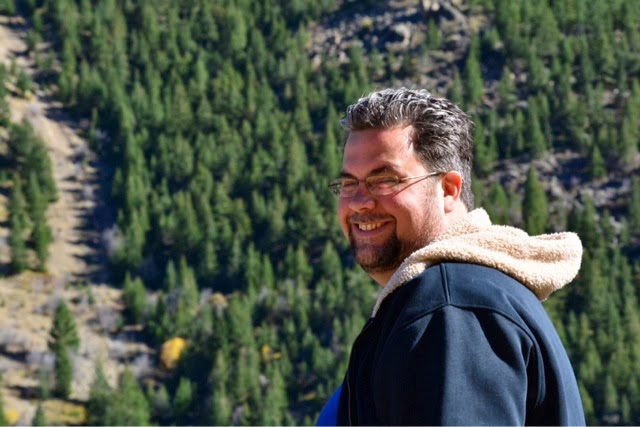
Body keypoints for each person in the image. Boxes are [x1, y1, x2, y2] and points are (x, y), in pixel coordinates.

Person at [317, 88, 585, 425]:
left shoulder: (450, 306)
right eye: (348, 184)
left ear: (448, 189)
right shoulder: (472, 293)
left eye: (384, 180)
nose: (359, 202)